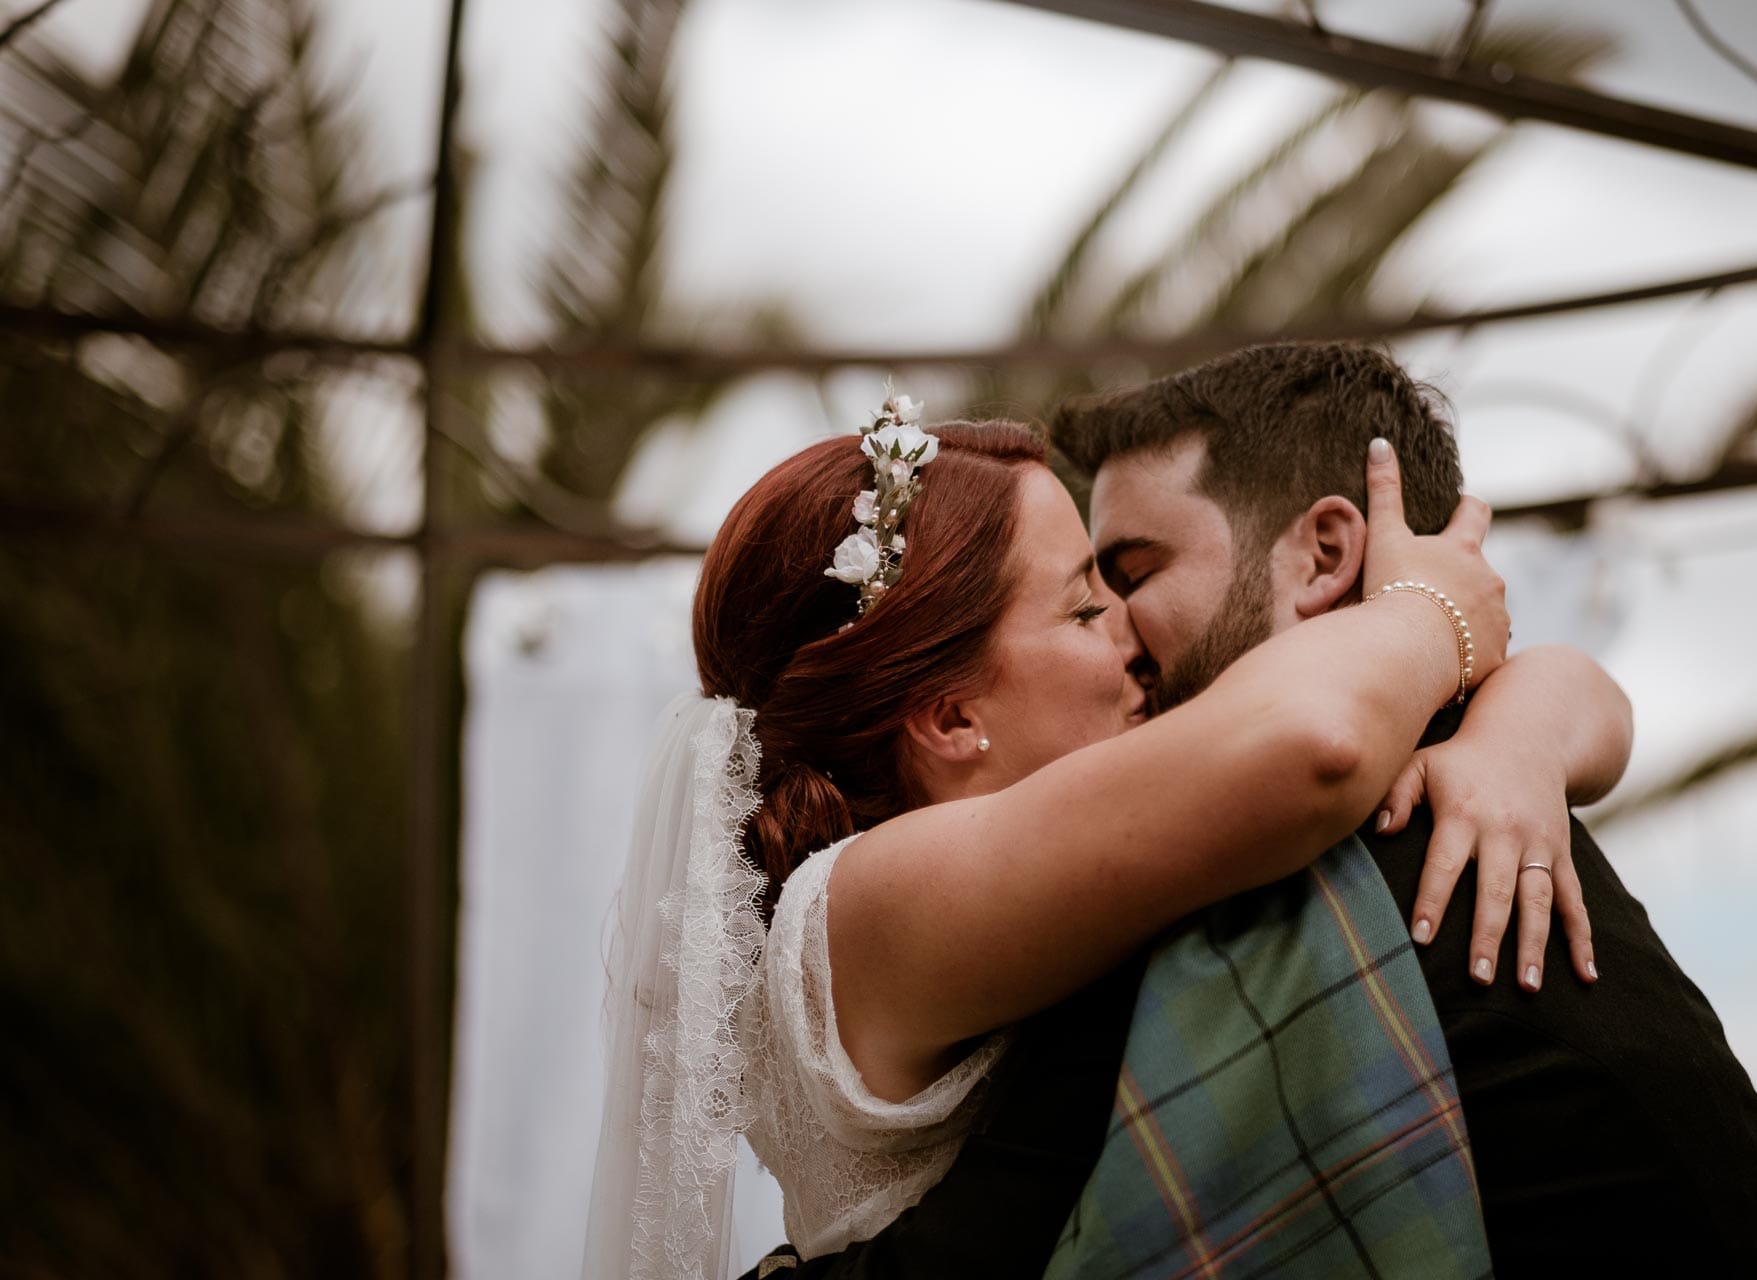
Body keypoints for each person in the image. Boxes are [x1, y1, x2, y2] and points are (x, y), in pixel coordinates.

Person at [583, 386, 1612, 1279]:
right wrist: (1437, 607)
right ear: (947, 718)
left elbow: (1590, 711)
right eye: (1084, 608)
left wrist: (1519, 729)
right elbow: (1317, 740)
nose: (1132, 636)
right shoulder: (864, 901)